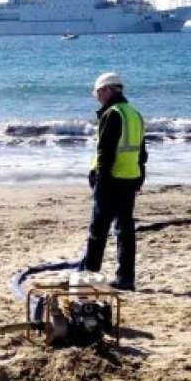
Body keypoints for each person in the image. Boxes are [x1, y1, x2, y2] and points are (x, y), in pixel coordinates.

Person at [79, 72, 148, 291]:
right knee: (125, 230)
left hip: (111, 180)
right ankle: (126, 278)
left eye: (99, 93)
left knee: (97, 230)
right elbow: (142, 153)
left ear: (108, 90)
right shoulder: (135, 114)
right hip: (130, 178)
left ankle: (89, 276)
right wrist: (139, 177)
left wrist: (99, 179)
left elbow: (105, 152)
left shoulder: (112, 114)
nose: (98, 98)